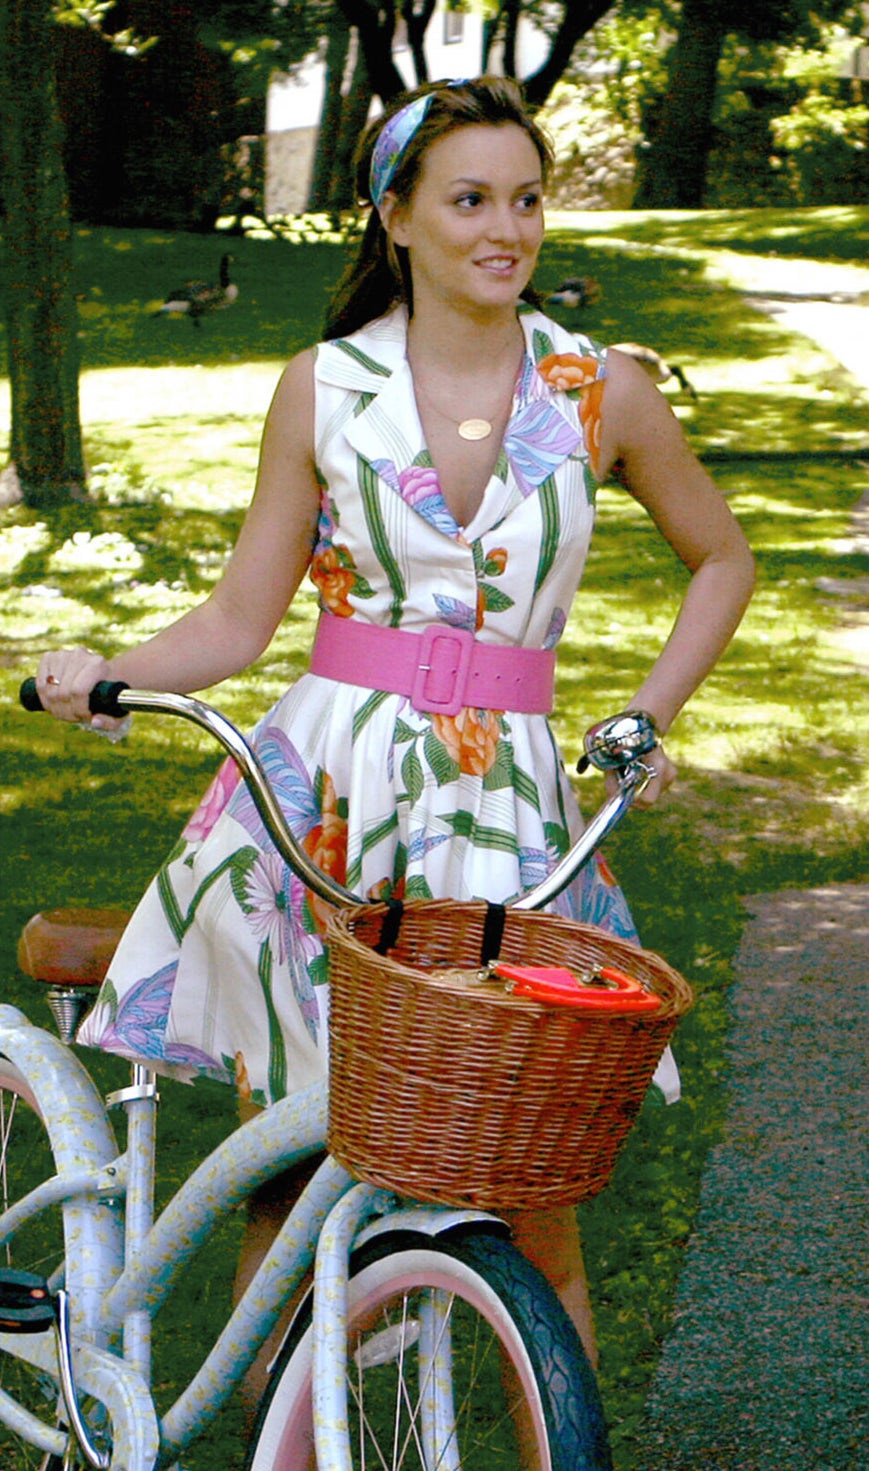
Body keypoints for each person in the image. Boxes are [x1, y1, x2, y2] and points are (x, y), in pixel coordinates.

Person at [36, 77, 755, 1399]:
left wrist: (647, 716)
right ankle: (280, 1429)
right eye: (469, 199)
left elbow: (720, 558)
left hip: (507, 807)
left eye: (526, 198)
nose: (507, 227)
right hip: (329, 799)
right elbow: (243, 617)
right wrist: (107, 672)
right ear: (397, 217)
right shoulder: (324, 386)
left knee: (527, 1173)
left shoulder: (599, 390)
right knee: (302, 1159)